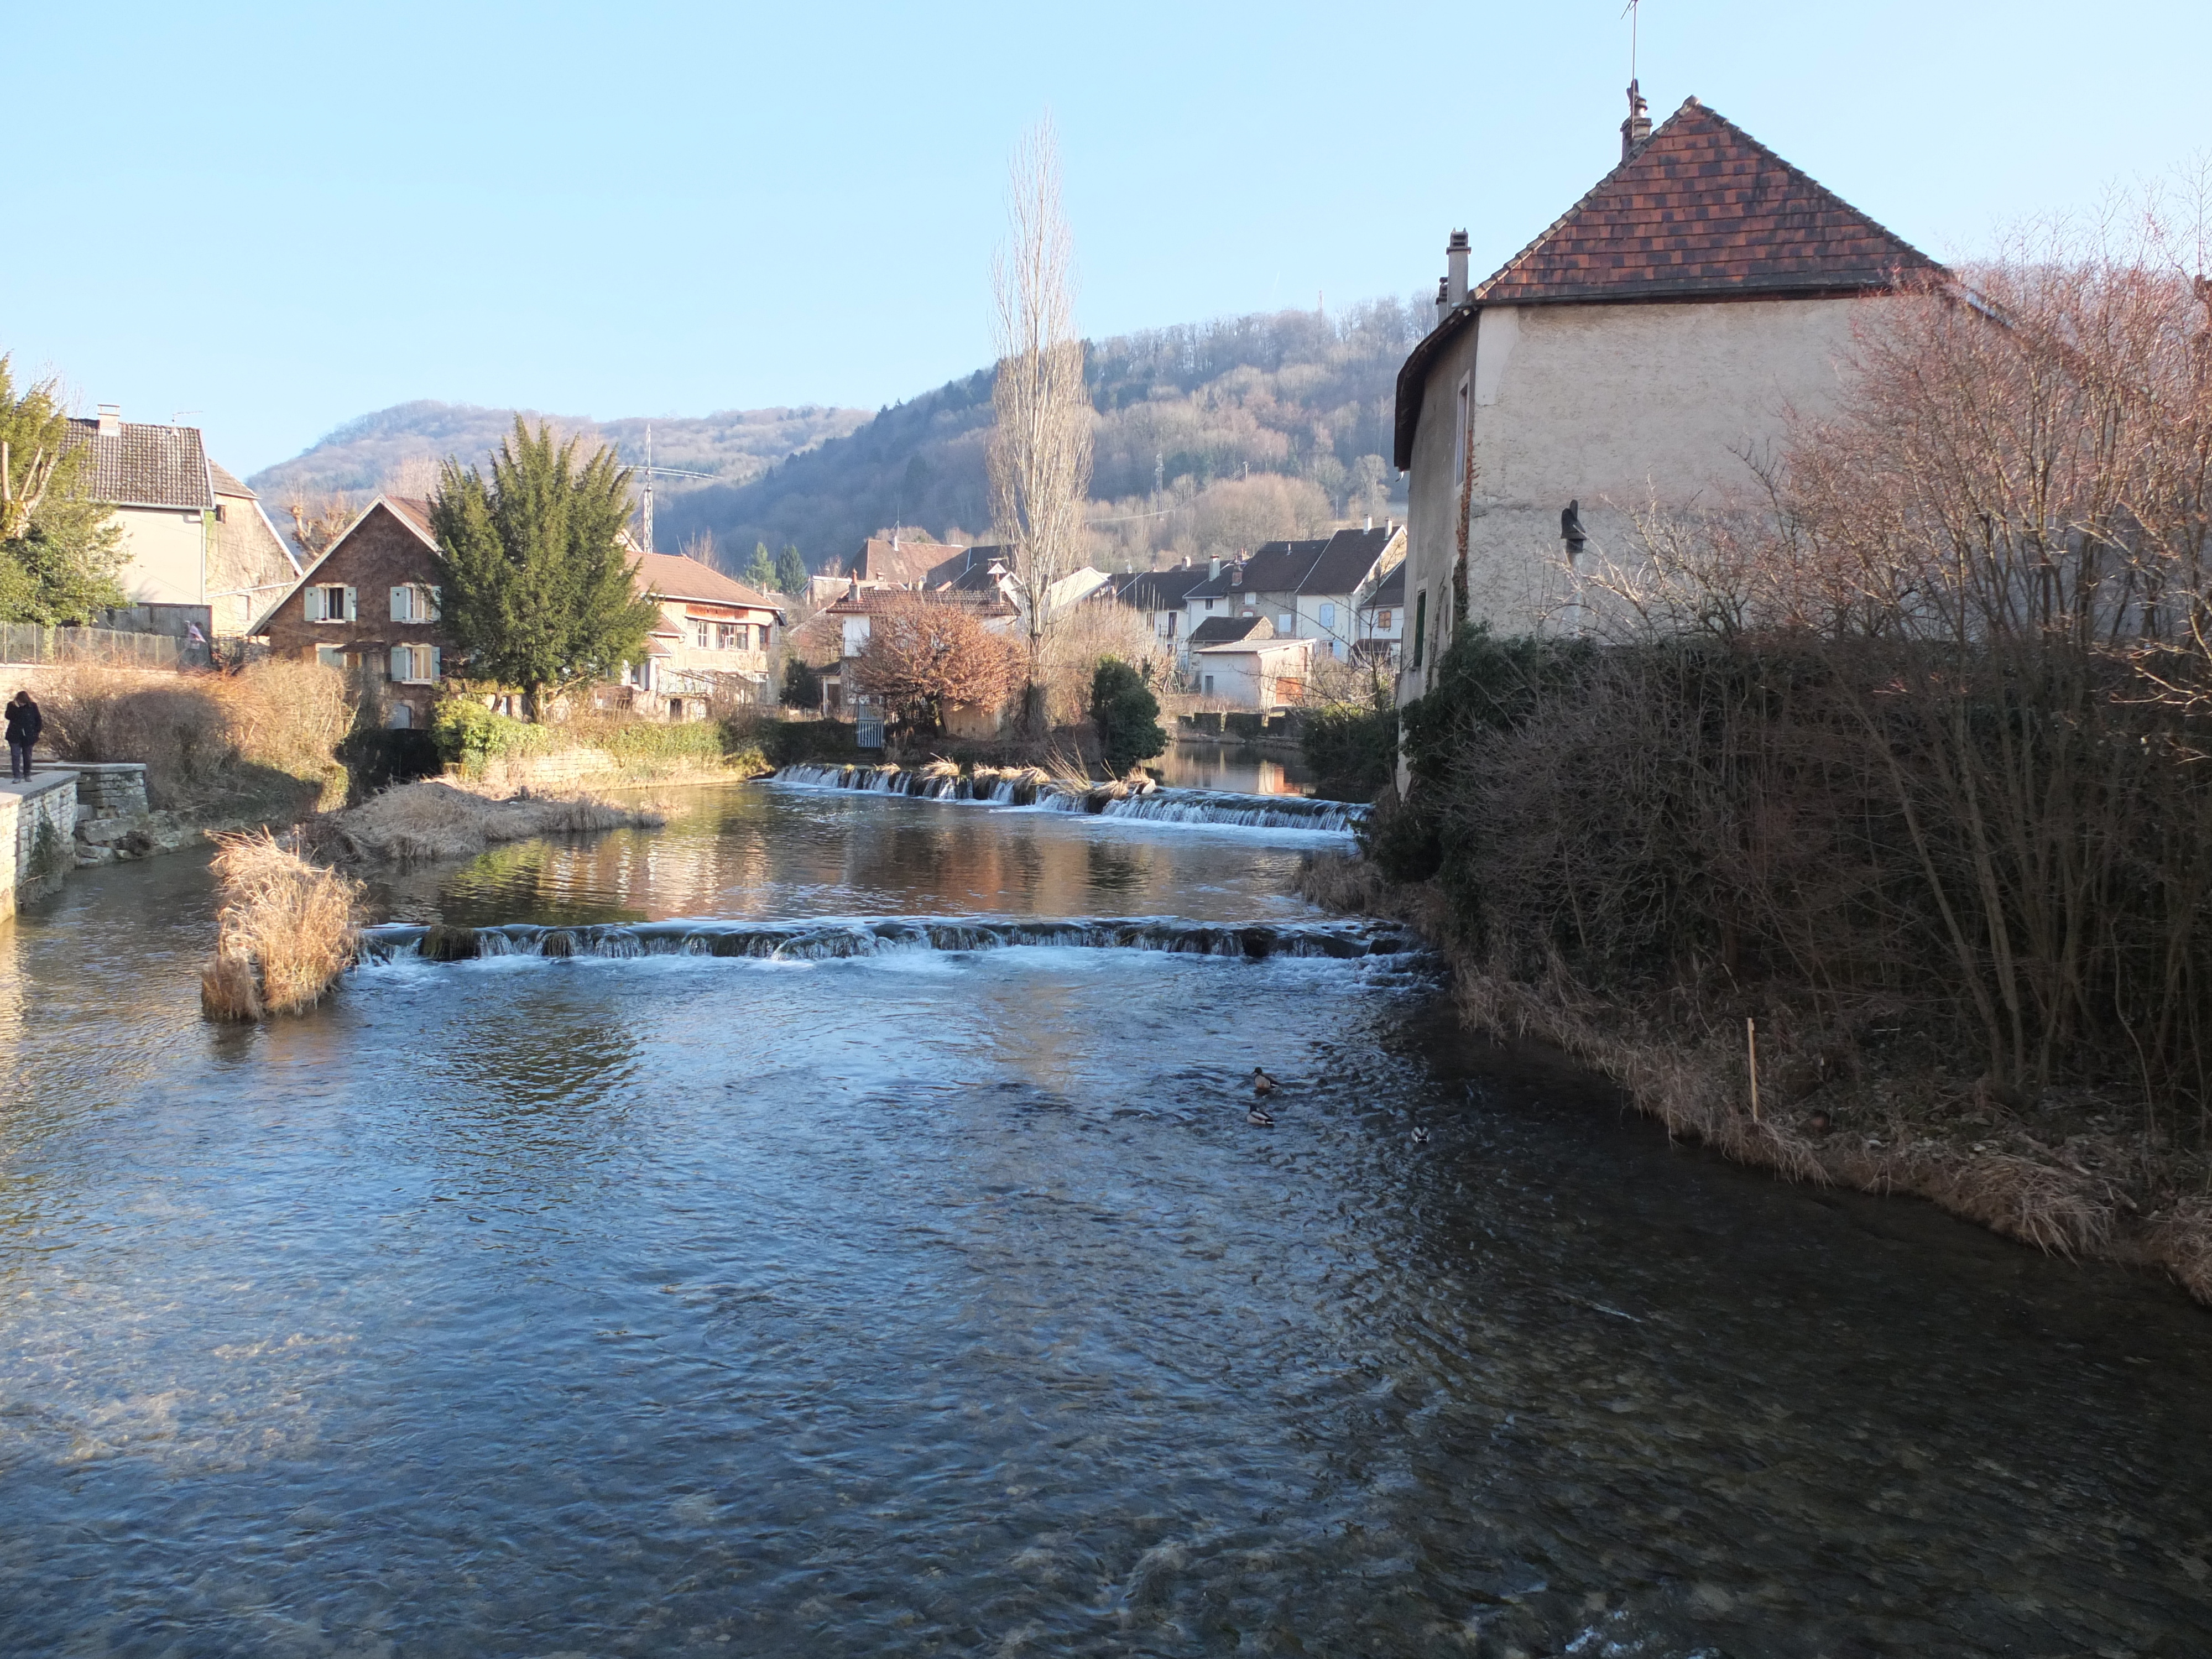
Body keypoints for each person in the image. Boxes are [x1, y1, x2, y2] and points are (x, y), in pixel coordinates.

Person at [5, 689, 40, 782]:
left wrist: (36, 732)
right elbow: (8, 717)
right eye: (20, 702)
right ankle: (17, 776)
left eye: (23, 703)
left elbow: (38, 719)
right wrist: (17, 708)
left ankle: (27, 774)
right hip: (15, 735)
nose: (22, 704)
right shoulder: (12, 706)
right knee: (15, 756)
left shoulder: (33, 706)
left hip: (29, 735)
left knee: (27, 756)